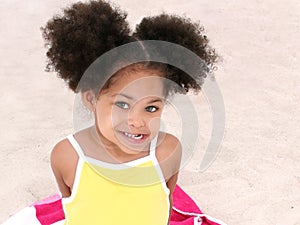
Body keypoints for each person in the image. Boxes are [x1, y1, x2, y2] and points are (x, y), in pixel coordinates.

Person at [41, 0, 218, 224]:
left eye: (151, 108)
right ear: (91, 98)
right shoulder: (68, 156)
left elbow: (164, 210)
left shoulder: (168, 152)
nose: (136, 121)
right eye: (122, 104)